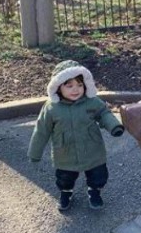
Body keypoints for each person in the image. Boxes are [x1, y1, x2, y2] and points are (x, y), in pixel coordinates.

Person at [28, 60, 125, 212]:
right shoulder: (51, 108)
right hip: (65, 152)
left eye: (80, 85)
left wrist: (114, 126)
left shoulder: (91, 102)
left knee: (98, 175)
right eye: (69, 85)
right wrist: (35, 152)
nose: (76, 90)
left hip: (92, 149)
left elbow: (103, 113)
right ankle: (66, 193)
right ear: (58, 87)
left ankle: (95, 191)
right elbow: (41, 130)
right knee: (65, 178)